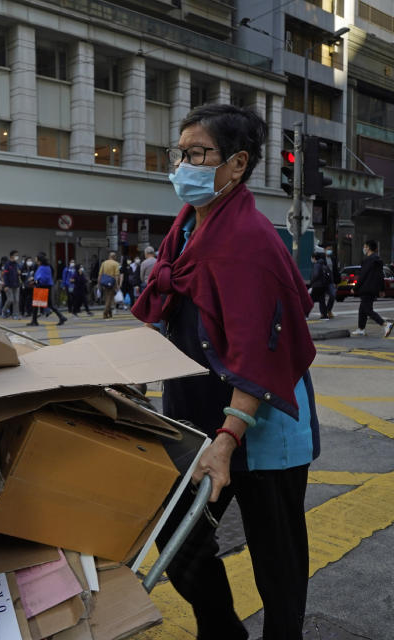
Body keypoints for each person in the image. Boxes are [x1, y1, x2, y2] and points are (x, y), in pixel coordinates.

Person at [131, 103, 319, 639]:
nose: (182, 165)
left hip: (261, 428)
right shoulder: (187, 229)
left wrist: (229, 436)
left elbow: (258, 350)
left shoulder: (251, 241)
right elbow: (175, 315)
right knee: (178, 538)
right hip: (199, 422)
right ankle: (222, 632)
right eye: (180, 153)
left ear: (236, 165)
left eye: (197, 154)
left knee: (278, 564)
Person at [351, 240, 393, 337]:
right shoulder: (378, 260)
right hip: (373, 289)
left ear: (368, 248)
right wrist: (382, 289)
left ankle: (385, 324)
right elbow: (380, 276)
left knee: (368, 310)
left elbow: (362, 276)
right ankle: (361, 329)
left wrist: (356, 288)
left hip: (366, 288)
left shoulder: (368, 260)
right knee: (362, 309)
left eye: (365, 247)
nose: (364, 249)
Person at [28, 254, 67, 326]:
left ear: (39, 260)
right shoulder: (47, 267)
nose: (35, 260)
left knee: (37, 305)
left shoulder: (42, 268)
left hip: (42, 287)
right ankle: (61, 317)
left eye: (36, 258)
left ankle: (34, 321)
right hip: (46, 286)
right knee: (47, 304)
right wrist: (34, 280)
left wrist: (34, 281)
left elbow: (42, 279)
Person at [97, 251, 121, 319]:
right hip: (112, 283)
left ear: (109, 256)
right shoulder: (116, 264)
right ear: (114, 257)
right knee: (109, 299)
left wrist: (99, 283)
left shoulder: (104, 263)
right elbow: (117, 275)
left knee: (106, 298)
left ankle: (109, 313)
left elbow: (100, 274)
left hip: (104, 282)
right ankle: (105, 313)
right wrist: (117, 285)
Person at [308, 251, 332, 319]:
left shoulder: (316, 265)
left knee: (310, 300)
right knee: (322, 300)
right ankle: (324, 314)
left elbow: (315, 275)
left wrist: (311, 283)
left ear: (314, 258)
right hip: (323, 286)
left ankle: (305, 313)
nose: (311, 259)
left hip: (316, 285)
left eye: (312, 258)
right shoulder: (323, 264)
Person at [1, 251, 22, 319]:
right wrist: (6, 285)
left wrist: (19, 273)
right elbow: (5, 275)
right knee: (10, 300)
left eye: (17, 255)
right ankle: (4, 311)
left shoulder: (17, 264)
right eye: (15, 255)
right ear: (11, 256)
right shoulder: (7, 265)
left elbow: (19, 273)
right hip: (9, 285)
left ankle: (15, 314)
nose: (17, 257)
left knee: (16, 300)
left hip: (16, 285)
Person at [323, 243, 340, 319]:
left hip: (331, 281)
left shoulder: (333, 258)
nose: (330, 251)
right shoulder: (321, 258)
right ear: (324, 250)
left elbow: (336, 270)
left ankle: (328, 310)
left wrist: (337, 282)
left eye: (331, 249)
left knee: (333, 295)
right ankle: (323, 312)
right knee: (321, 298)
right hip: (323, 281)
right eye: (328, 249)